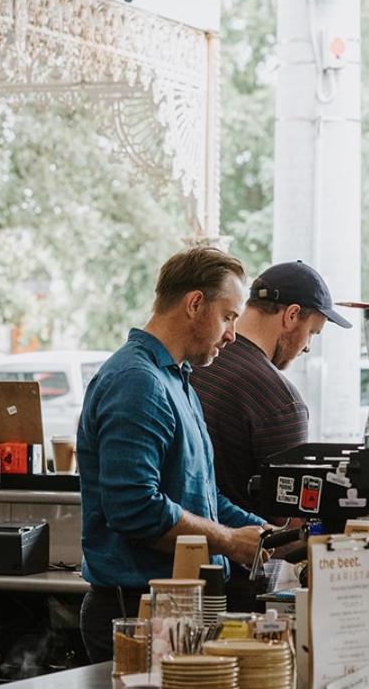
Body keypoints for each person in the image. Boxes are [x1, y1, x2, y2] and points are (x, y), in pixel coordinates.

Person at [76, 246, 268, 663]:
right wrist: (233, 542)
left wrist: (272, 536)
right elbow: (135, 509)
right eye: (229, 316)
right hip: (136, 612)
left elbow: (204, 500)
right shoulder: (136, 382)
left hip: (175, 609)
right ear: (195, 304)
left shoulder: (177, 380)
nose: (232, 334)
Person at [191, 260, 352, 515]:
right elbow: (290, 519)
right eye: (312, 332)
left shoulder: (194, 361)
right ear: (291, 316)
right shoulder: (282, 402)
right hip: (244, 551)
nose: (308, 347)